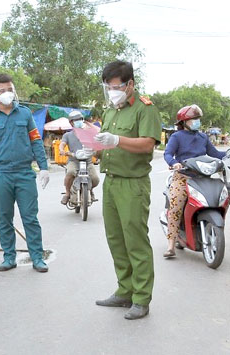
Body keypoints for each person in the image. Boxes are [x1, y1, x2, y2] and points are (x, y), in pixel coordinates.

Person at [93, 61, 161, 320]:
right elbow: (104, 143)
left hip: (133, 183)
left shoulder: (145, 109)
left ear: (130, 84)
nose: (112, 92)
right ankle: (125, 291)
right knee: (116, 240)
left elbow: (146, 145)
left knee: (135, 241)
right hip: (111, 181)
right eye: (108, 87)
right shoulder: (111, 112)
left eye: (116, 87)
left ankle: (142, 298)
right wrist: (93, 149)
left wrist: (117, 140)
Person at [0, 73, 50, 273]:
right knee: (4, 217)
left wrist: (43, 167)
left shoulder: (25, 114)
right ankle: (9, 257)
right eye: (2, 90)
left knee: (30, 217)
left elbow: (35, 140)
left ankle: (37, 257)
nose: (7, 93)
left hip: (24, 173)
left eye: (10, 89)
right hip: (0, 174)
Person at [163, 104, 226, 257]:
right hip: (182, 177)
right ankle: (171, 245)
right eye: (193, 119)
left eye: (198, 118)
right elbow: (168, 154)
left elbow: (216, 153)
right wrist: (174, 163)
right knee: (176, 206)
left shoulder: (203, 137)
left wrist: (227, 154)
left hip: (202, 177)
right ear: (184, 122)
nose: (196, 121)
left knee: (219, 198)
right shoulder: (176, 137)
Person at [59, 111, 100, 204]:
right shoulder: (67, 135)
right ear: (71, 123)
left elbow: (95, 144)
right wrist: (62, 150)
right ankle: (67, 193)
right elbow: (62, 144)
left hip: (88, 162)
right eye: (76, 120)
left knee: (95, 179)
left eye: (80, 119)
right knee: (70, 172)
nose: (79, 121)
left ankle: (90, 190)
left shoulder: (89, 134)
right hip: (73, 161)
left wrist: (96, 151)